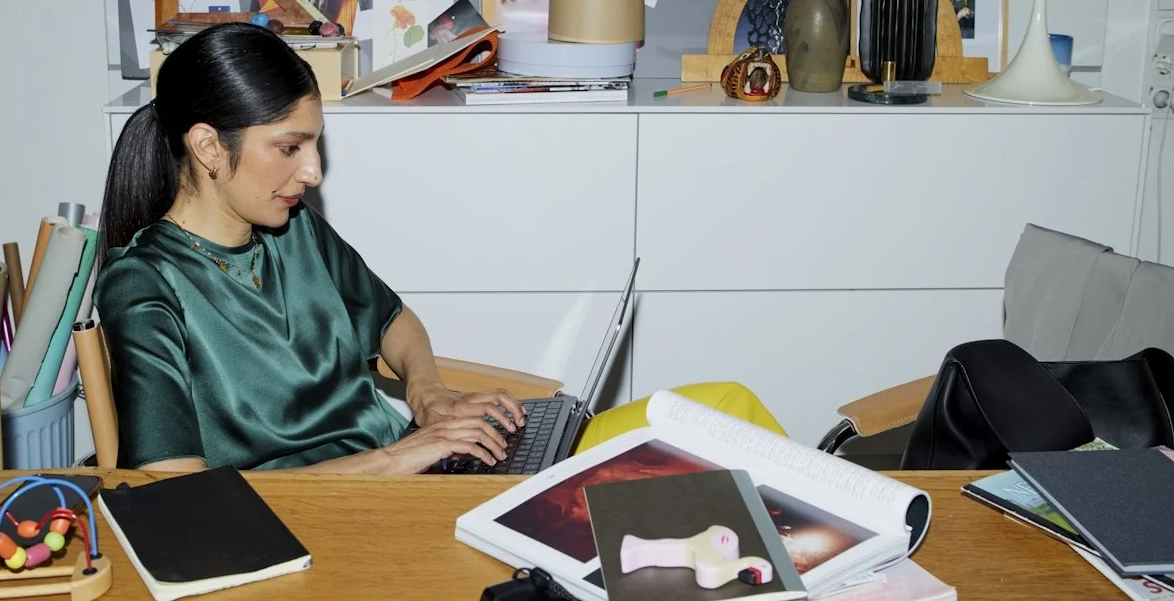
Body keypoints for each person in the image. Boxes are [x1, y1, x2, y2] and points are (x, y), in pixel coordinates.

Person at [95, 24, 783, 473]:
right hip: (340, 519)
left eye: (315, 144)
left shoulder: (290, 227)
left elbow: (395, 322)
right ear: (210, 145)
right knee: (689, 468)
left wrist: (427, 395)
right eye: (290, 147)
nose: (313, 172)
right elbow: (177, 494)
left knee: (726, 408)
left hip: (418, 469)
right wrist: (403, 457)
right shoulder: (143, 284)